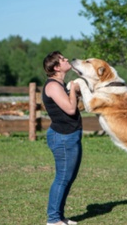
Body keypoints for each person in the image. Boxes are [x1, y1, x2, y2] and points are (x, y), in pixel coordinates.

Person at [42, 51, 82, 225]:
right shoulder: (53, 86)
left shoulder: (60, 84)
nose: (67, 60)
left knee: (68, 178)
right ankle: (53, 219)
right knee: (62, 178)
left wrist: (74, 91)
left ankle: (59, 217)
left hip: (70, 136)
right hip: (63, 137)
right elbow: (71, 109)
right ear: (57, 67)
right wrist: (73, 88)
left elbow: (73, 106)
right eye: (63, 59)